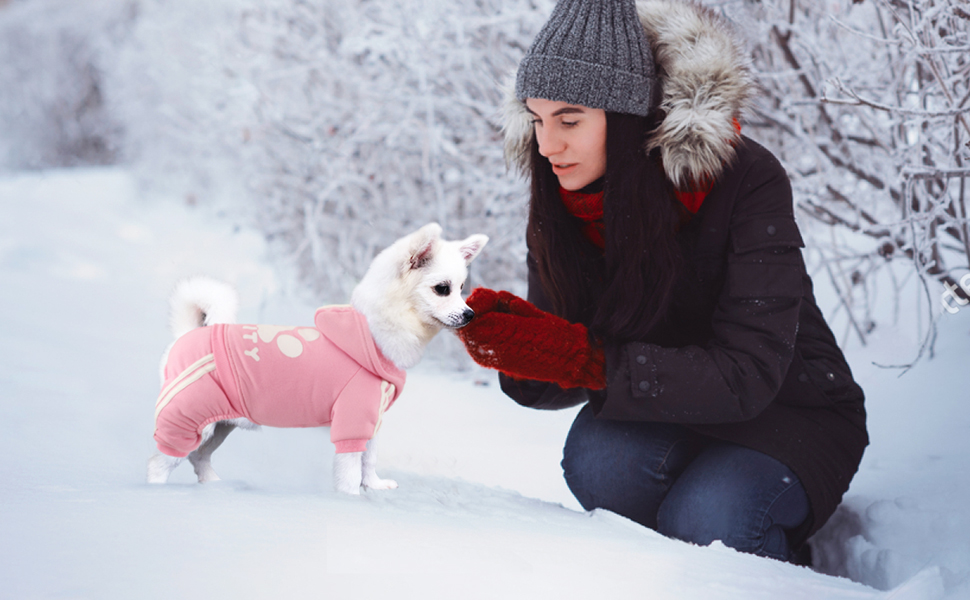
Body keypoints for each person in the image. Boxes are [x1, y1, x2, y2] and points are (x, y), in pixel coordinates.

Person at [458, 0, 868, 563]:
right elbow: (570, 367)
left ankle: (774, 562)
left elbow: (749, 373)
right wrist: (525, 349)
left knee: (710, 520)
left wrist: (584, 359)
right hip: (668, 405)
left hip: (790, 408)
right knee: (597, 463)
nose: (547, 145)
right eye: (536, 119)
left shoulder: (744, 177)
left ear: (624, 117)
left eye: (569, 120)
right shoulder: (564, 199)